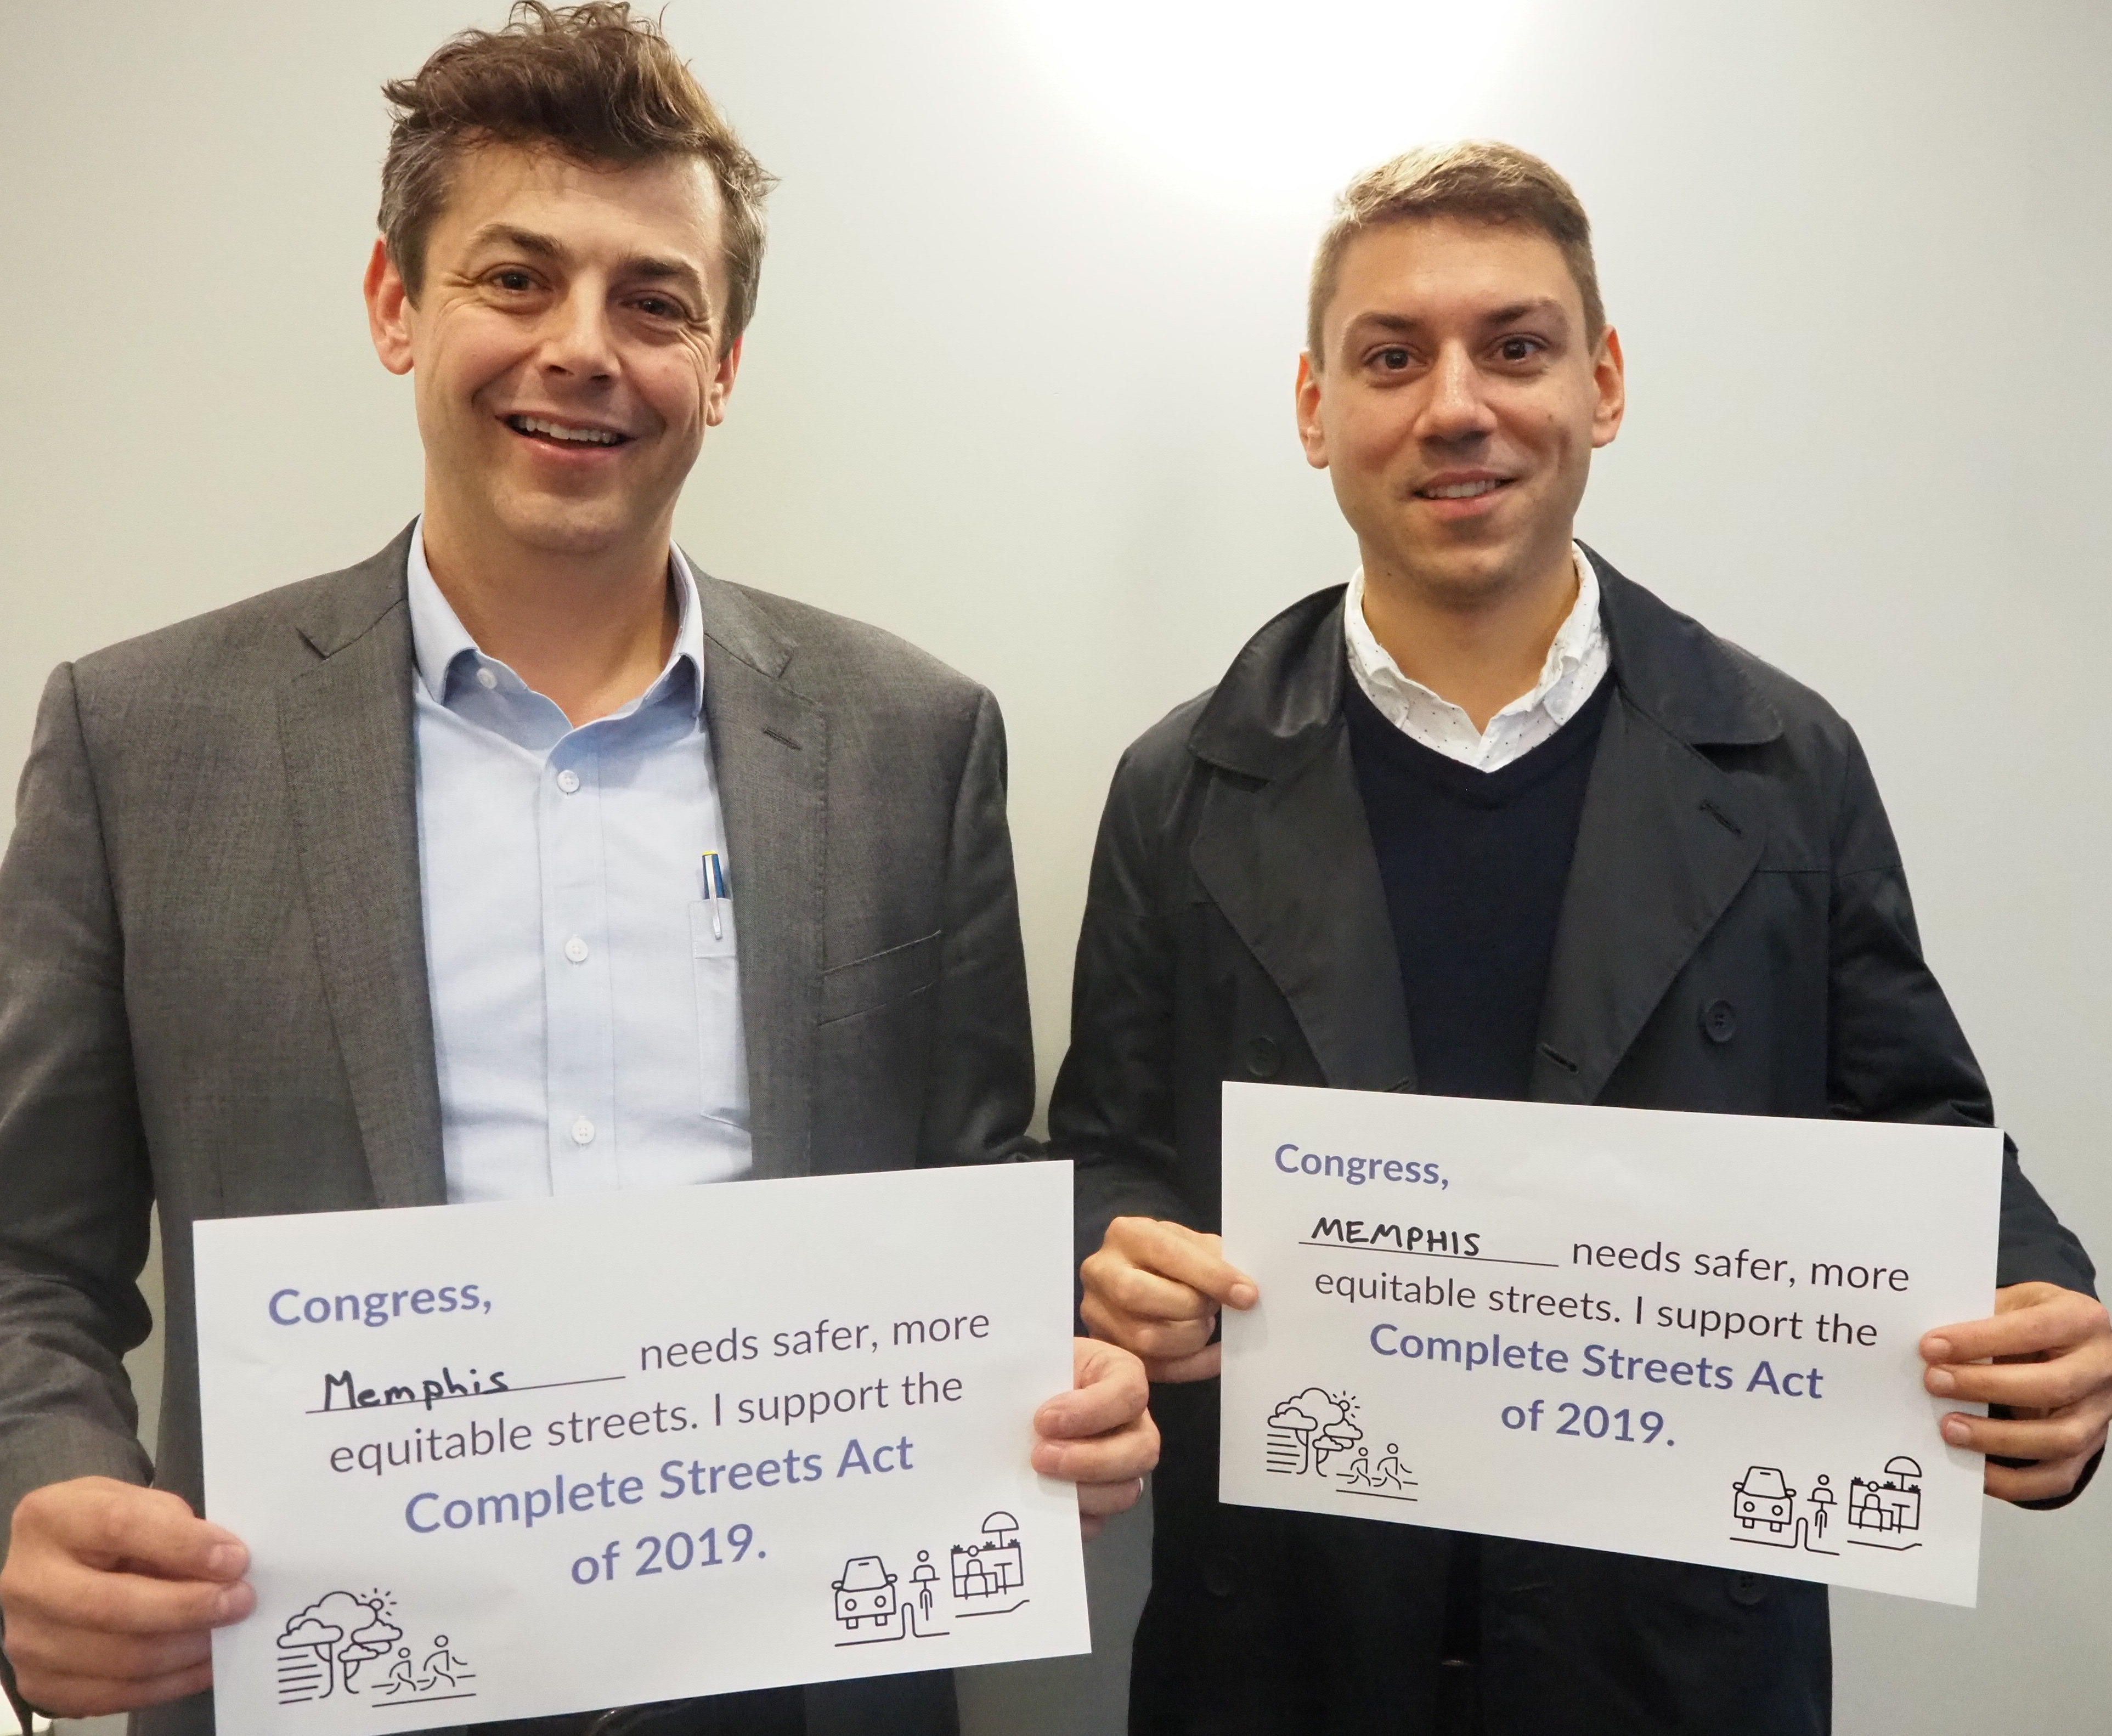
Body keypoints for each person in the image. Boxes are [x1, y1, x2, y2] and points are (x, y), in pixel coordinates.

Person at [0, 7, 1155, 1734]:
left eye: (654, 302)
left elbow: (969, 1202)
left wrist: (1056, 1373)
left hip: (801, 1692)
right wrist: (43, 1489)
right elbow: (28, 1255)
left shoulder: (913, 742)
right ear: (396, 305)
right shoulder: (140, 742)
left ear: (725, 362)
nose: (582, 349)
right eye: (516, 279)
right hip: (316, 1680)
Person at [1054, 141, 2112, 1734]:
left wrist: (2037, 1314)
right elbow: (1106, 1150)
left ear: (1600, 384)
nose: (1456, 405)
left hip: (1675, 1658)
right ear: (1314, 407)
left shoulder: (1784, 764)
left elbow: (1921, 1135)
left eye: (1515, 346)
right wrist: (1116, 1262)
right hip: (1287, 1645)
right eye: (1391, 358)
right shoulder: (1179, 786)